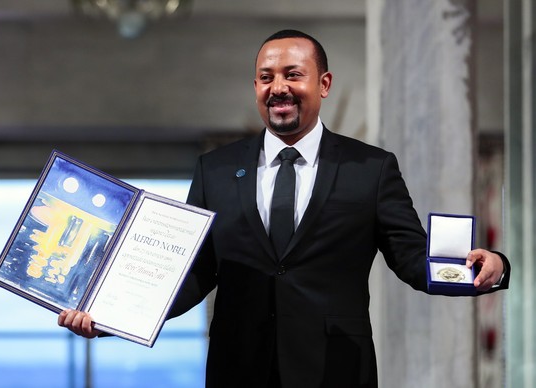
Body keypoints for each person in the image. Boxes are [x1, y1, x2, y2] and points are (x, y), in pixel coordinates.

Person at [59, 29, 510, 387]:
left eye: (293, 74)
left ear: (323, 83)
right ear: (255, 85)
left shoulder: (370, 169)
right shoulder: (215, 169)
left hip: (336, 370)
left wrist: (488, 267)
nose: (279, 88)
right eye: (266, 77)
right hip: (237, 369)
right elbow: (193, 272)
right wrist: (111, 318)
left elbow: (412, 258)